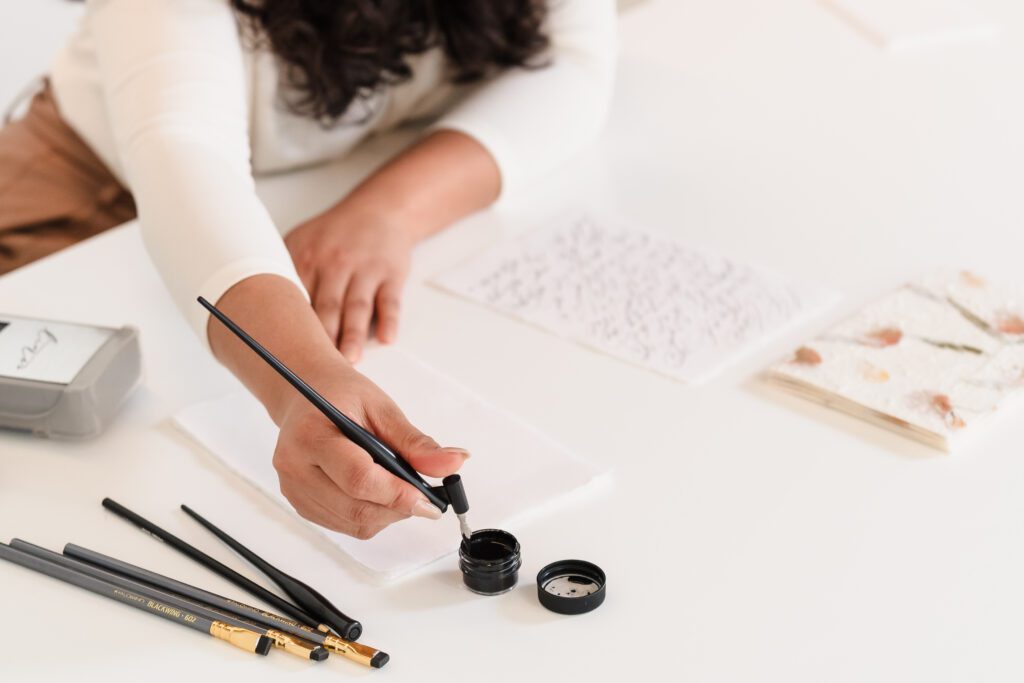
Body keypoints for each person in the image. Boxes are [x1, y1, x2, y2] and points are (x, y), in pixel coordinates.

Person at [0, 0, 616, 539]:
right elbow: (180, 148)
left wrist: (388, 210)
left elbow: (572, 66)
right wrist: (306, 379)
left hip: (338, 173)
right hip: (90, 190)